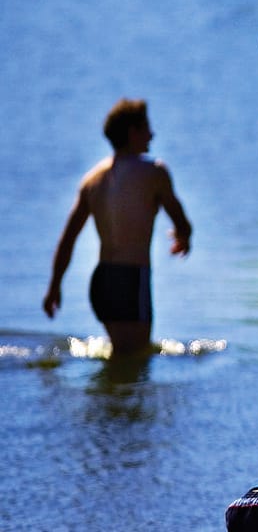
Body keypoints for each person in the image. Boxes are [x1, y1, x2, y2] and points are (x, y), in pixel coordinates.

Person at [42, 98, 193, 359]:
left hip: (102, 281)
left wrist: (54, 287)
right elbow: (181, 221)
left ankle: (107, 400)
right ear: (133, 132)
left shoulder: (92, 179)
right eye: (147, 127)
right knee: (136, 359)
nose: (152, 134)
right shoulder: (154, 172)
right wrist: (184, 237)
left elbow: (68, 239)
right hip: (132, 279)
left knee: (120, 356)